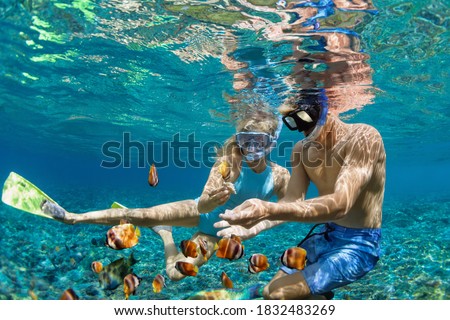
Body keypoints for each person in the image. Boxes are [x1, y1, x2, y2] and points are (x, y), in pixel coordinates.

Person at [42, 110, 290, 281]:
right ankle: (73, 217)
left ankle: (165, 232)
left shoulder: (280, 176)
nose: (252, 148)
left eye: (260, 141)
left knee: (175, 274)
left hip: (216, 235)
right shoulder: (227, 163)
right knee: (139, 215)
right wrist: (212, 199)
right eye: (246, 140)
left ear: (272, 143)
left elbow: (289, 210)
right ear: (239, 140)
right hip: (197, 212)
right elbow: (203, 205)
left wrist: (258, 225)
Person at [215, 89, 385, 299]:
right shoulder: (301, 149)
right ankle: (320, 297)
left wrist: (267, 209)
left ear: (324, 109)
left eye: (304, 118)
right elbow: (292, 200)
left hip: (359, 244)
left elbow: (342, 203)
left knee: (278, 295)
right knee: (270, 292)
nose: (302, 130)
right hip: (326, 234)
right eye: (292, 123)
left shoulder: (363, 136)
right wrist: (255, 227)